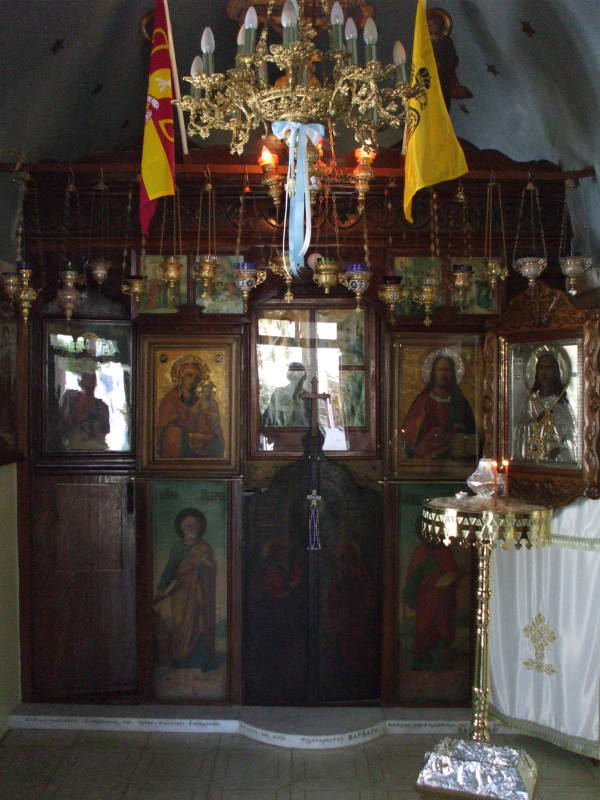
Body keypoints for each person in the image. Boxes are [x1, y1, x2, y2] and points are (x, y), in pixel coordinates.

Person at [154, 507, 216, 672]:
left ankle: (200, 660)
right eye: (187, 525)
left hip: (199, 593)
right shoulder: (177, 548)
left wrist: (201, 564)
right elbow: (169, 569)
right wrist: (161, 588)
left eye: (194, 524)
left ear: (199, 527)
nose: (190, 527)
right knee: (180, 625)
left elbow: (212, 568)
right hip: (180, 593)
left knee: (199, 623)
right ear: (181, 527)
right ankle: (180, 659)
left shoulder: (204, 546)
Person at [402, 354, 476, 459]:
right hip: (425, 458)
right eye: (439, 370)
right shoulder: (423, 401)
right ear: (433, 373)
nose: (443, 374)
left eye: (447, 370)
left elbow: (471, 436)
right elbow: (409, 436)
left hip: (454, 459)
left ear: (452, 374)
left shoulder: (461, 403)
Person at [404, 541, 464, 670]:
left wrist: (452, 579)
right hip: (426, 598)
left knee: (443, 628)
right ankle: (422, 659)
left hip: (445, 599)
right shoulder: (420, 551)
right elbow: (413, 577)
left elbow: (453, 572)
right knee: (424, 627)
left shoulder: (445, 551)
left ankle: (440, 660)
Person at [514, 351, 577, 463]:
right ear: (536, 371)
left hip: (556, 462)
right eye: (541, 368)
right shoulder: (531, 402)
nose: (544, 373)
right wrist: (537, 422)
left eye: (549, 368)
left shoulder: (561, 404)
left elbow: (572, 437)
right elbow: (519, 431)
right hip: (534, 458)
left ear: (556, 372)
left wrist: (560, 449)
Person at [157, 356, 224, 458]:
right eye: (189, 375)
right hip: (180, 441)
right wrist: (188, 434)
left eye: (197, 378)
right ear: (181, 377)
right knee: (173, 434)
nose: (193, 380)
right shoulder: (171, 398)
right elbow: (164, 426)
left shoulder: (205, 397)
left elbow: (214, 424)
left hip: (202, 439)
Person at [60, 371, 110, 450]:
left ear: (95, 384)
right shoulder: (71, 398)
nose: (89, 384)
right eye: (86, 379)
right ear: (81, 383)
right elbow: (64, 425)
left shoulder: (102, 407)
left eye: (92, 380)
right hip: (71, 448)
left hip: (92, 450)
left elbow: (102, 433)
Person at [262, 362, 310, 427]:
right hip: (279, 434)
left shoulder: (307, 396)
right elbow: (268, 417)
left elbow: (310, 421)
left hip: (299, 434)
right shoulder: (278, 392)